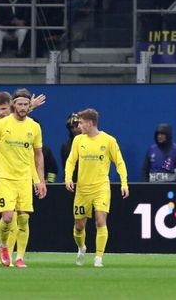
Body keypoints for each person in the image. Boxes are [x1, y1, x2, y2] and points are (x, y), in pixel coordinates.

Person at [0, 88, 47, 268]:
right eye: (20, 104)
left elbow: (38, 154)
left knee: (24, 219)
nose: (23, 107)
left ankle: (19, 257)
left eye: (26, 104)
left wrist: (40, 180)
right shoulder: (2, 125)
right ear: (14, 105)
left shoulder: (34, 127)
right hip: (5, 178)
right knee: (7, 217)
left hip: (25, 179)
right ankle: (3, 246)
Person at [65, 108, 129, 268]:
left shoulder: (108, 141)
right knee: (79, 226)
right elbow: (71, 161)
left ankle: (98, 258)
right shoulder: (78, 140)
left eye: (81, 123)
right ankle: (81, 247)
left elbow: (119, 162)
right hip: (82, 189)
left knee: (100, 221)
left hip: (101, 187)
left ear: (90, 123)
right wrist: (68, 178)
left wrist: (124, 183)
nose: (79, 126)